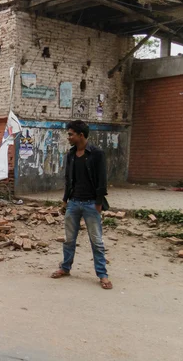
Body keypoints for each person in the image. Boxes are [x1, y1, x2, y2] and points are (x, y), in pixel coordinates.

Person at [51, 120, 112, 290]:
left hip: (91, 204)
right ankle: (65, 267)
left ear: (81, 135)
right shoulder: (71, 154)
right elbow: (68, 180)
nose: (68, 137)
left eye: (71, 134)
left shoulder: (97, 154)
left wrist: (99, 203)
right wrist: (65, 201)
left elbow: (102, 180)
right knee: (69, 239)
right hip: (73, 203)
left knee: (96, 241)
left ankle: (102, 274)